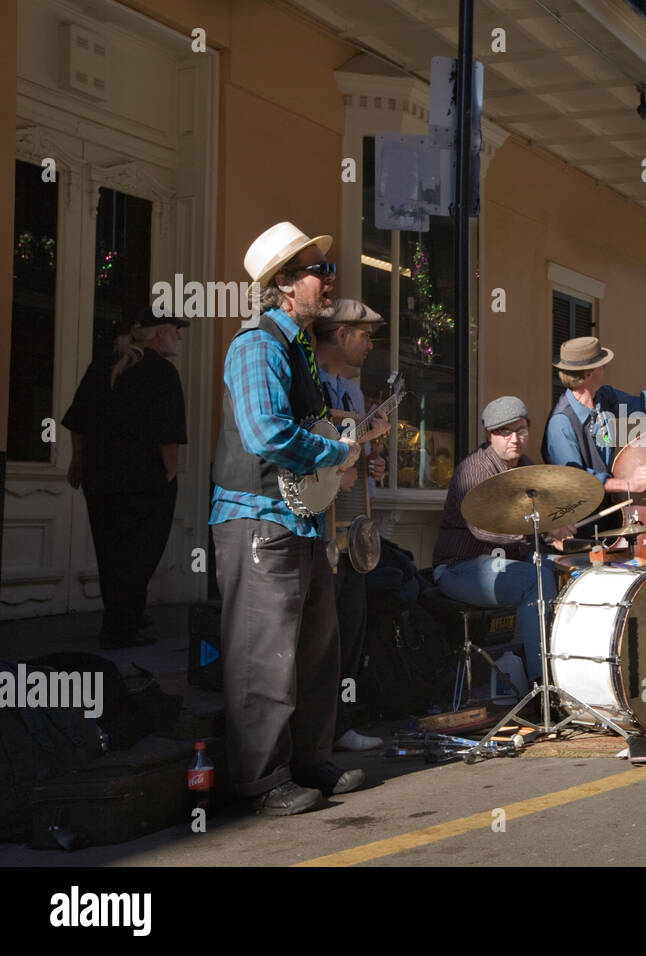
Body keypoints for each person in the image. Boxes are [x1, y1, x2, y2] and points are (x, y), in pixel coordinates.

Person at [210, 221, 378, 816]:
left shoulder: (297, 347)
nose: (330, 279)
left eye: (328, 269)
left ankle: (308, 761)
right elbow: (265, 433)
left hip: (298, 523)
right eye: (318, 270)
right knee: (264, 654)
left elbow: (301, 424)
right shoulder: (256, 344)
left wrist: (344, 438)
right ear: (284, 283)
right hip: (258, 521)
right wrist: (341, 454)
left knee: (312, 653)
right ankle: (262, 780)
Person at [63, 307, 188, 648]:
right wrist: (171, 471)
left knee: (111, 551)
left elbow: (78, 422)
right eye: (175, 329)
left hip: (100, 477)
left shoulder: (100, 367)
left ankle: (122, 618)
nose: (179, 336)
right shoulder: (162, 372)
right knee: (140, 553)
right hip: (144, 481)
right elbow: (167, 434)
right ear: (159, 332)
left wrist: (78, 461)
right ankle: (122, 628)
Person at [432, 397, 575, 683]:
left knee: (566, 570)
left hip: (508, 563)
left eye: (520, 431)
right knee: (535, 579)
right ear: (489, 435)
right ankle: (540, 682)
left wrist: (559, 526)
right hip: (460, 567)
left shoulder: (527, 468)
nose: (514, 439)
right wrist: (543, 530)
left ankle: (569, 667)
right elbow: (483, 529)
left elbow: (543, 517)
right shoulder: (475, 470)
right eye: (504, 432)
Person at [314, 299, 389, 753]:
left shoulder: (354, 396)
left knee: (350, 627)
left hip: (351, 528)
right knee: (322, 634)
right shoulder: (309, 386)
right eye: (364, 336)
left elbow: (356, 457)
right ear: (341, 335)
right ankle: (318, 730)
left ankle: (341, 724)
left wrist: (373, 461)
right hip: (317, 528)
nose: (370, 345)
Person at [543, 335, 646, 500]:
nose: (605, 366)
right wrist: (628, 484)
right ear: (588, 373)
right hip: (579, 518)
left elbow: (644, 404)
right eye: (600, 364)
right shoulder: (560, 422)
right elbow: (576, 478)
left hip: (608, 509)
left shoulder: (603, 397)